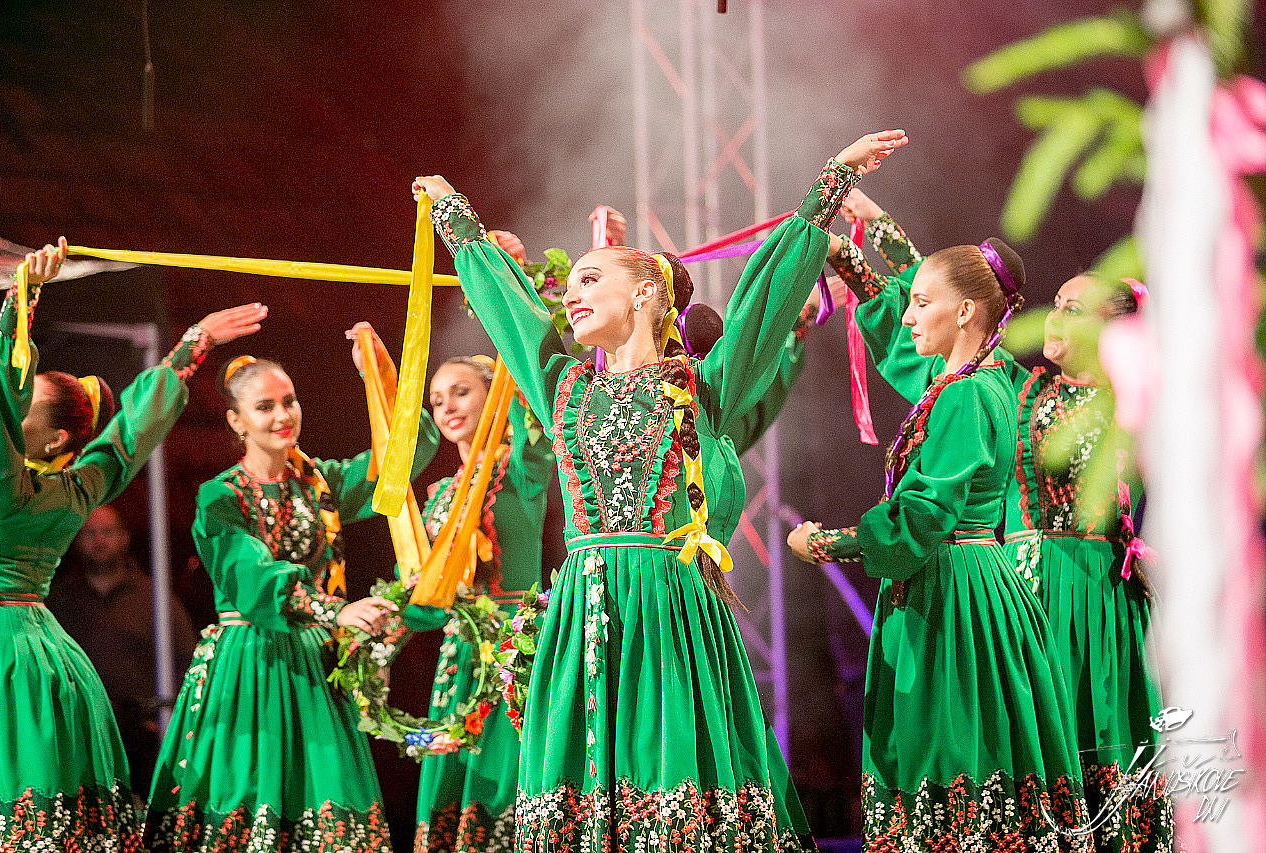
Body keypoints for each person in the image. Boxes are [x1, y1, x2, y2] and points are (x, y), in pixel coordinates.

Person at [413, 127, 907, 853]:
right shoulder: (561, 386)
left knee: (674, 780)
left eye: (590, 279)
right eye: (572, 284)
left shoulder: (701, 388)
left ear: (645, 292)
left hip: (670, 608)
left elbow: (761, 301)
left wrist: (829, 182)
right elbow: (510, 312)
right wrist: (455, 217)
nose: (571, 293)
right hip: (584, 612)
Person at [826, 188, 1172, 851]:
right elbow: (956, 327)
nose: (1054, 317)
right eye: (1055, 303)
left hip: (1094, 591)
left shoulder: (1134, 403)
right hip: (1018, 583)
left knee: (1093, 730)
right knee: (1030, 739)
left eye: (1074, 309)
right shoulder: (1015, 388)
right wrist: (874, 239)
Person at [788, 222, 1093, 850]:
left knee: (948, 747)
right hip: (974, 580)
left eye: (921, 303)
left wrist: (826, 544)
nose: (908, 316)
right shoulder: (984, 381)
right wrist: (851, 256)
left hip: (952, 591)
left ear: (966, 311)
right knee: (977, 746)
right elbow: (907, 332)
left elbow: (925, 514)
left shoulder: (965, 395)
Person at [0, 237, 265, 850]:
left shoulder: (1, 485)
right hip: (39, 653)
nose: (10, 407)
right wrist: (195, 344)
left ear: (55, 439)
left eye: (25, 402)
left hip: (1, 656)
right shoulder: (77, 488)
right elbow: (131, 434)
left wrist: (22, 301)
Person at [143, 333, 440, 853]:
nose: (283, 415)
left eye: (289, 401)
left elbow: (404, 459)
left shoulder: (318, 483)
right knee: (248, 799)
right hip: (249, 663)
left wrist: (380, 377)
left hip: (313, 664)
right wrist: (334, 610)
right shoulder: (220, 498)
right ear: (236, 421)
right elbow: (253, 578)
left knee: (326, 806)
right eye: (265, 407)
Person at [397, 348, 556, 853]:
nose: (446, 407)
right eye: (437, 400)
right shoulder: (441, 493)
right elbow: (427, 593)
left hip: (517, 648)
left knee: (510, 777)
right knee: (456, 775)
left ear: (495, 397)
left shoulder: (521, 470)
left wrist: (516, 361)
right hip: (460, 654)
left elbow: (538, 431)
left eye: (461, 392)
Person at [47, 503, 198, 804]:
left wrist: (172, 716)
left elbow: (186, 661)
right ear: (76, 539)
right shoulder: (58, 600)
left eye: (107, 532)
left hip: (143, 733)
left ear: (124, 537)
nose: (99, 541)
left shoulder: (154, 597)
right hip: (79, 732)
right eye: (89, 533)